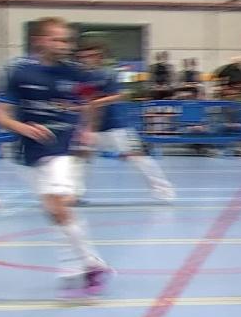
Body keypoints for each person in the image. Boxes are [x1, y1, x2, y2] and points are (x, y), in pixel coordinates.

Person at [0, 17, 111, 298]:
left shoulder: (76, 73)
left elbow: (90, 103)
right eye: (57, 40)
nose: (63, 46)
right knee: (54, 211)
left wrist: (88, 131)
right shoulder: (18, 72)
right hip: (30, 150)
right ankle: (76, 267)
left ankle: (92, 266)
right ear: (40, 41)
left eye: (66, 41)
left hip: (63, 147)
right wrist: (24, 128)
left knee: (59, 205)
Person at [74, 41, 175, 202]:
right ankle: (76, 194)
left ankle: (164, 191)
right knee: (80, 159)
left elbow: (118, 96)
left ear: (99, 56)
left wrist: (95, 103)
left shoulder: (108, 74)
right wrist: (87, 127)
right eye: (83, 56)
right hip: (92, 129)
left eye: (91, 55)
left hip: (116, 127)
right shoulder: (82, 77)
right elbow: (86, 101)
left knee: (138, 157)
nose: (86, 59)